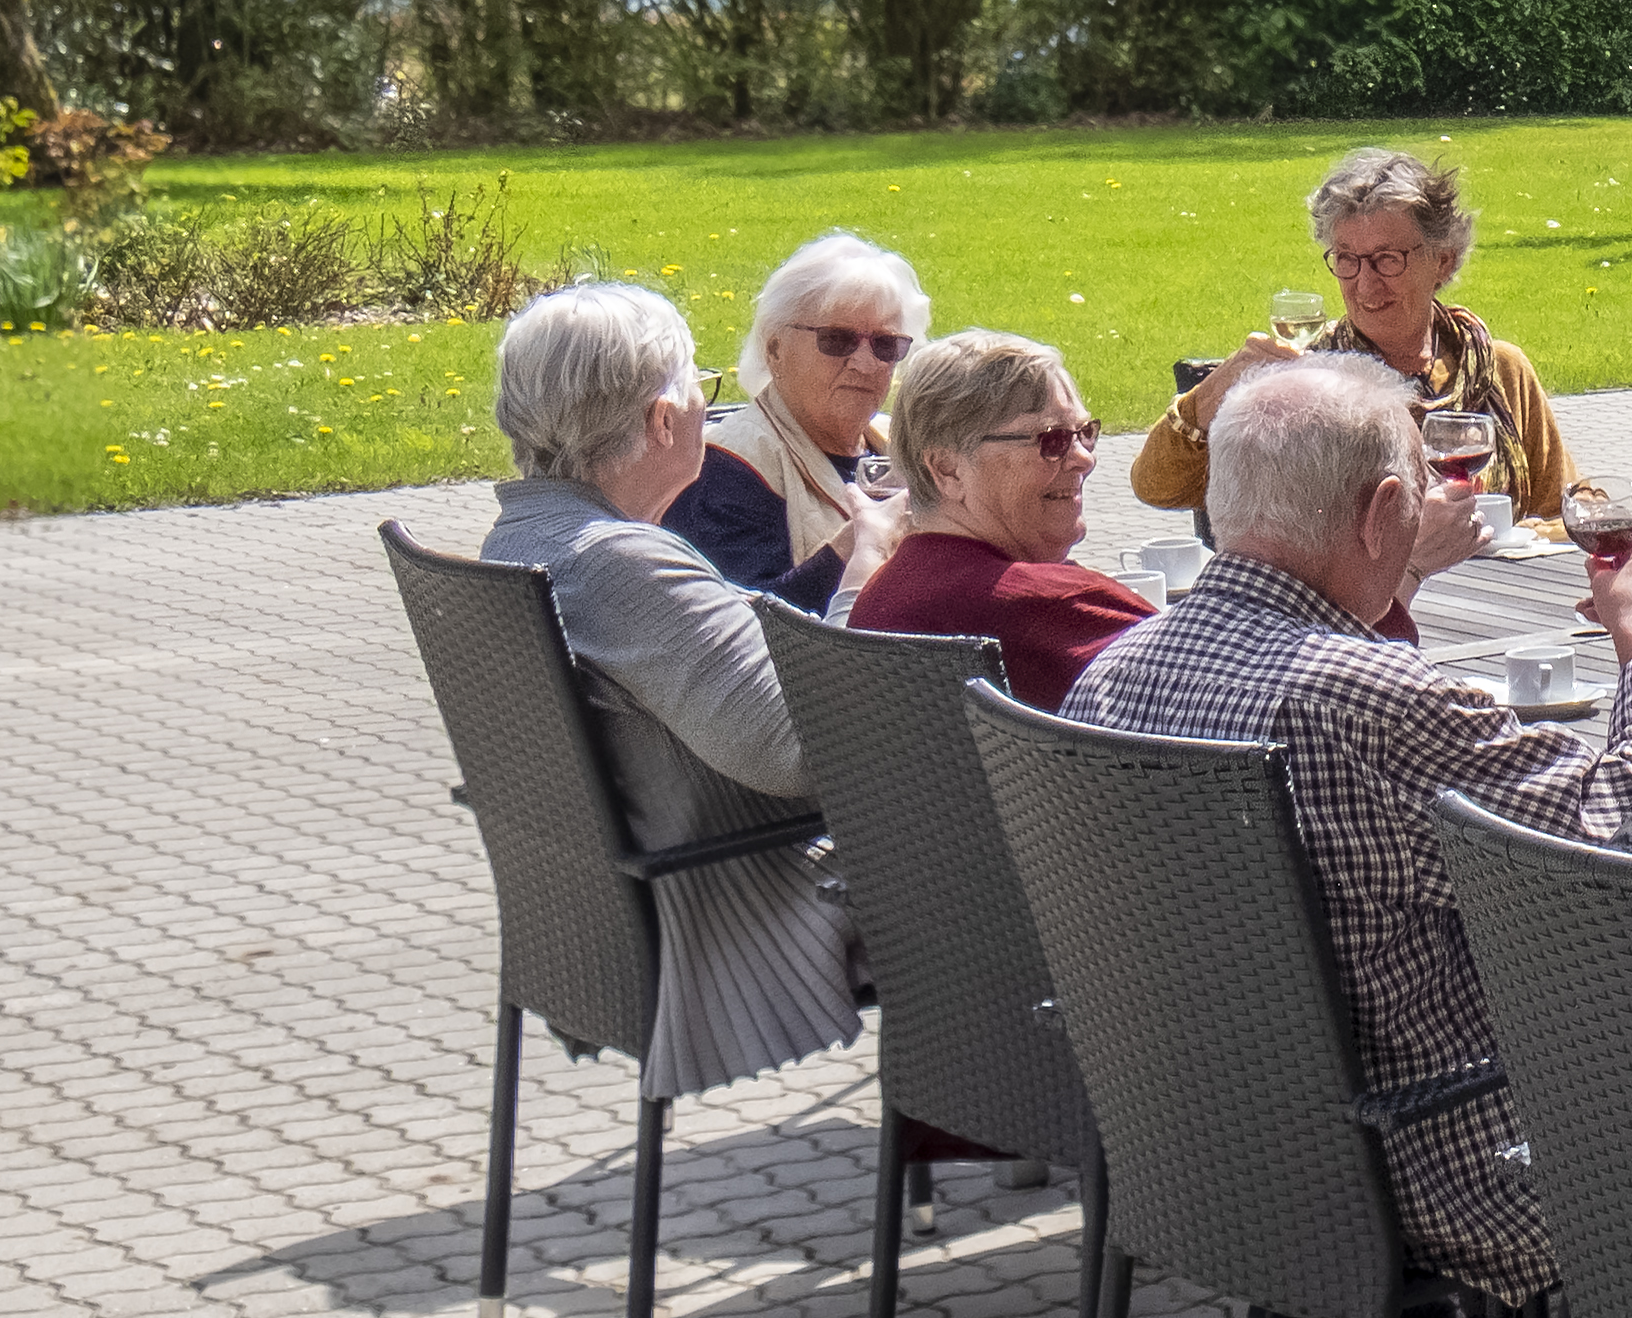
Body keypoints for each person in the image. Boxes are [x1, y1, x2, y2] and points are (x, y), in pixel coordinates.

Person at [1071, 359, 1632, 1318]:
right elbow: (1630, 837)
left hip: (1197, 1153)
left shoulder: (1113, 678)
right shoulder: (1366, 698)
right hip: (1431, 1162)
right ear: (1385, 510)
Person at [474, 283, 863, 1103]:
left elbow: (709, 644)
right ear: (659, 420)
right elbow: (797, 752)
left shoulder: (520, 540)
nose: (705, 412)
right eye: (701, 390)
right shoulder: (616, 564)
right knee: (1029, 865)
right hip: (731, 903)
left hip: (608, 906)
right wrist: (869, 584)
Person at [1134, 147, 1570, 527]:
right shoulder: (1305, 381)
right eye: (1347, 259)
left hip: (1500, 599)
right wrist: (1212, 393)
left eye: (1386, 259)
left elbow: (1557, 510)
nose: (1364, 284)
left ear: (1442, 261)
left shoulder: (1498, 370)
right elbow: (1157, 487)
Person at [851, 331, 1156, 708]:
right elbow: (1217, 679)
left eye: (1085, 433)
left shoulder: (882, 593)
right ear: (948, 470)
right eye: (1052, 441)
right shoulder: (1045, 605)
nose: (1085, 458)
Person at [675, 232, 926, 612]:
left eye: (885, 345)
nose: (865, 363)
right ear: (774, 349)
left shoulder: (903, 445)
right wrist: (857, 543)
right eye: (837, 340)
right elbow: (747, 626)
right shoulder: (727, 466)